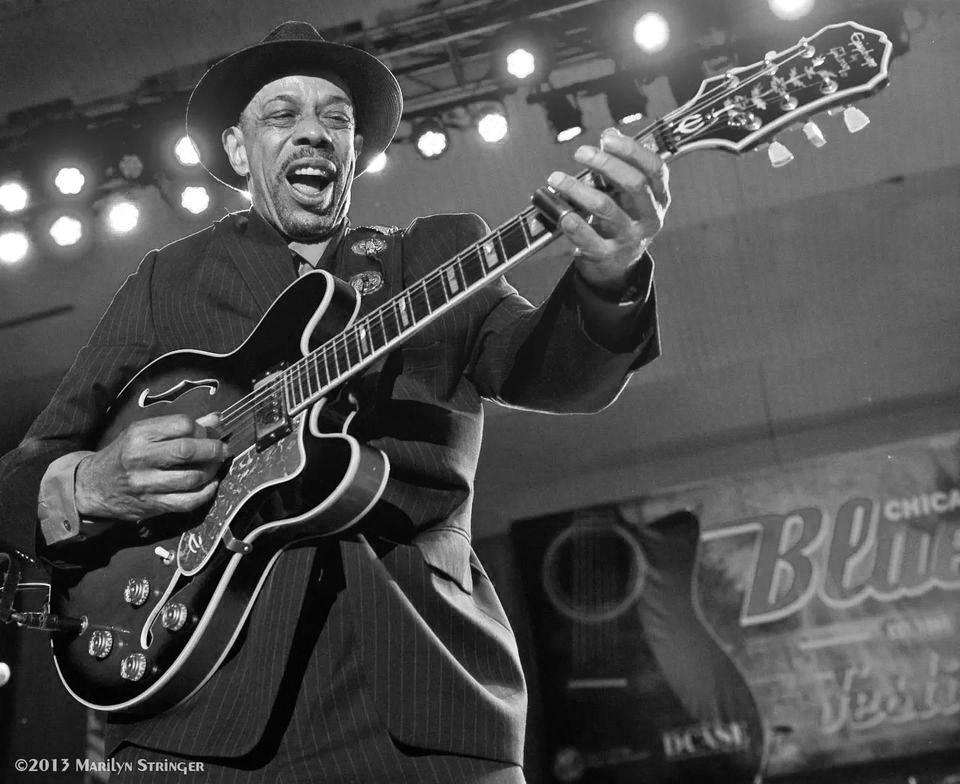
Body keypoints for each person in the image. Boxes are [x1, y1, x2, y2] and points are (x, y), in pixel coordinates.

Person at [0, 20, 669, 783]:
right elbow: (23, 473)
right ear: (238, 150)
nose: (314, 132)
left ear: (357, 149)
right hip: (193, 720)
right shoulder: (168, 282)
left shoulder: (436, 257)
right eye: (282, 114)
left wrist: (612, 276)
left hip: (427, 704)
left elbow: (557, 375)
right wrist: (94, 484)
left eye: (337, 117)